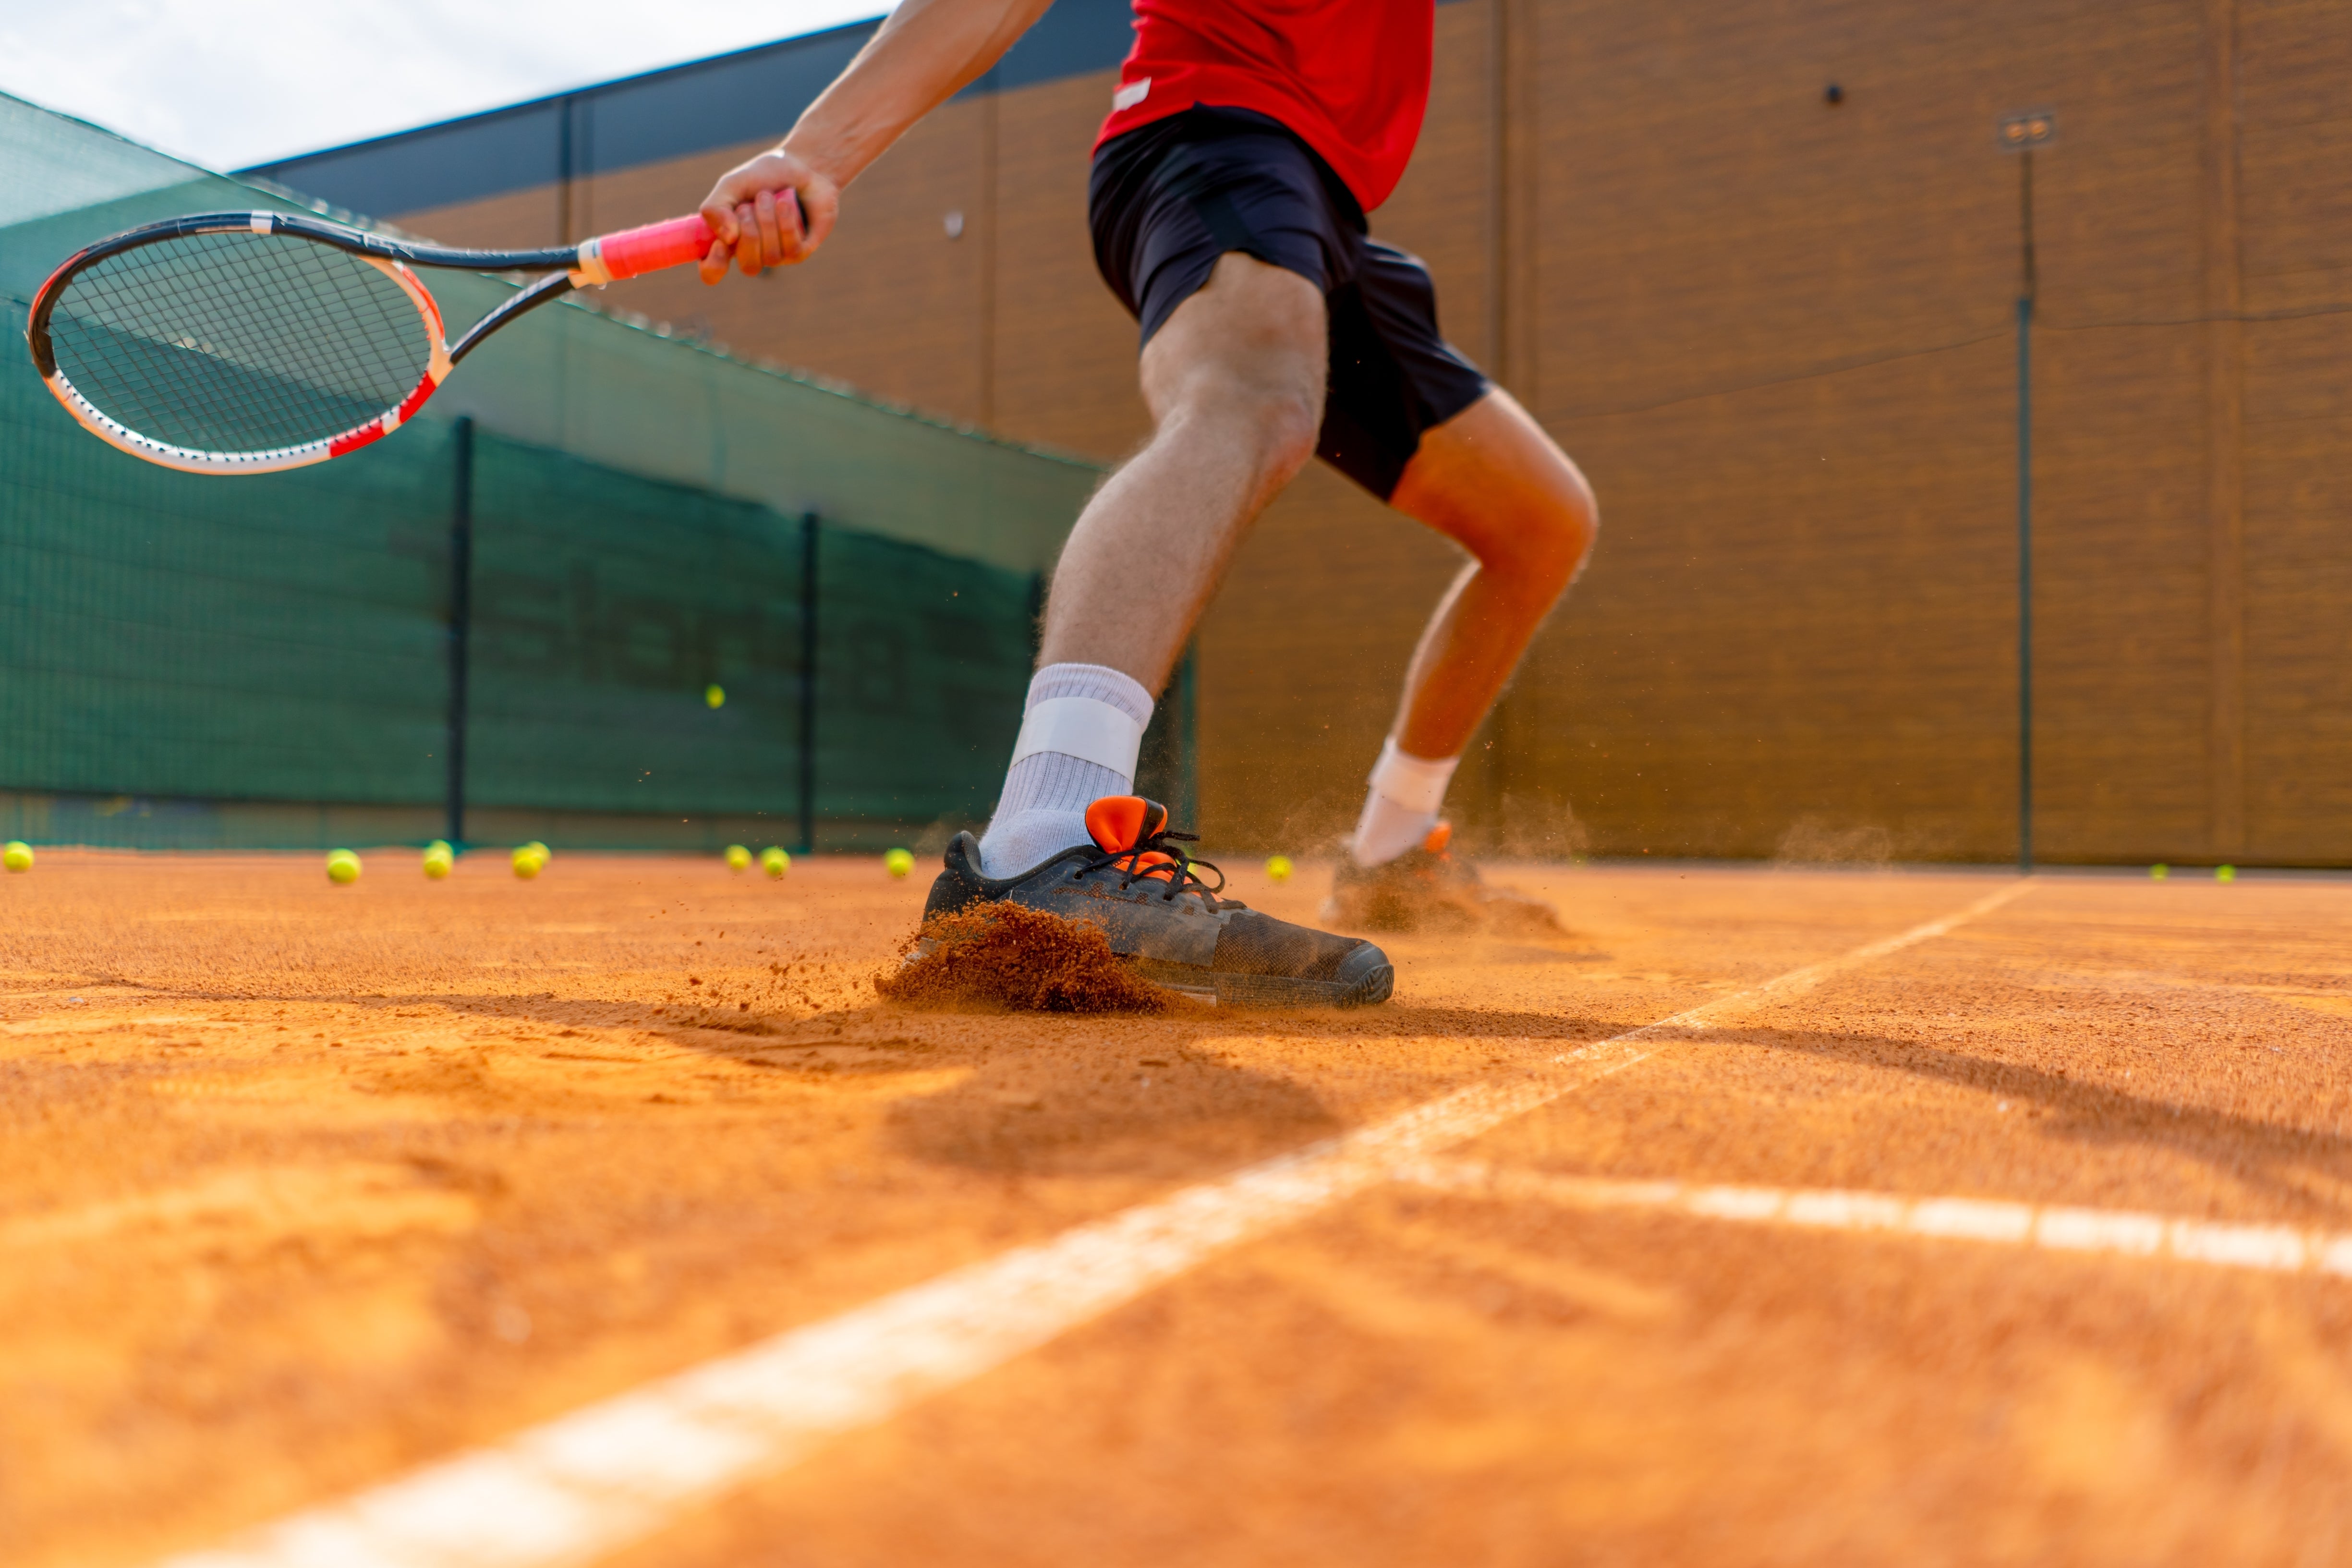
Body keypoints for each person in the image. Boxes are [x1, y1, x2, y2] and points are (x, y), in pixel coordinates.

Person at [694, 0, 1597, 1006]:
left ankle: (1390, 850)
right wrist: (815, 150)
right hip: (1210, 133)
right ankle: (1046, 844)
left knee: (1540, 523)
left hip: (1322, 204)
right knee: (1252, 394)